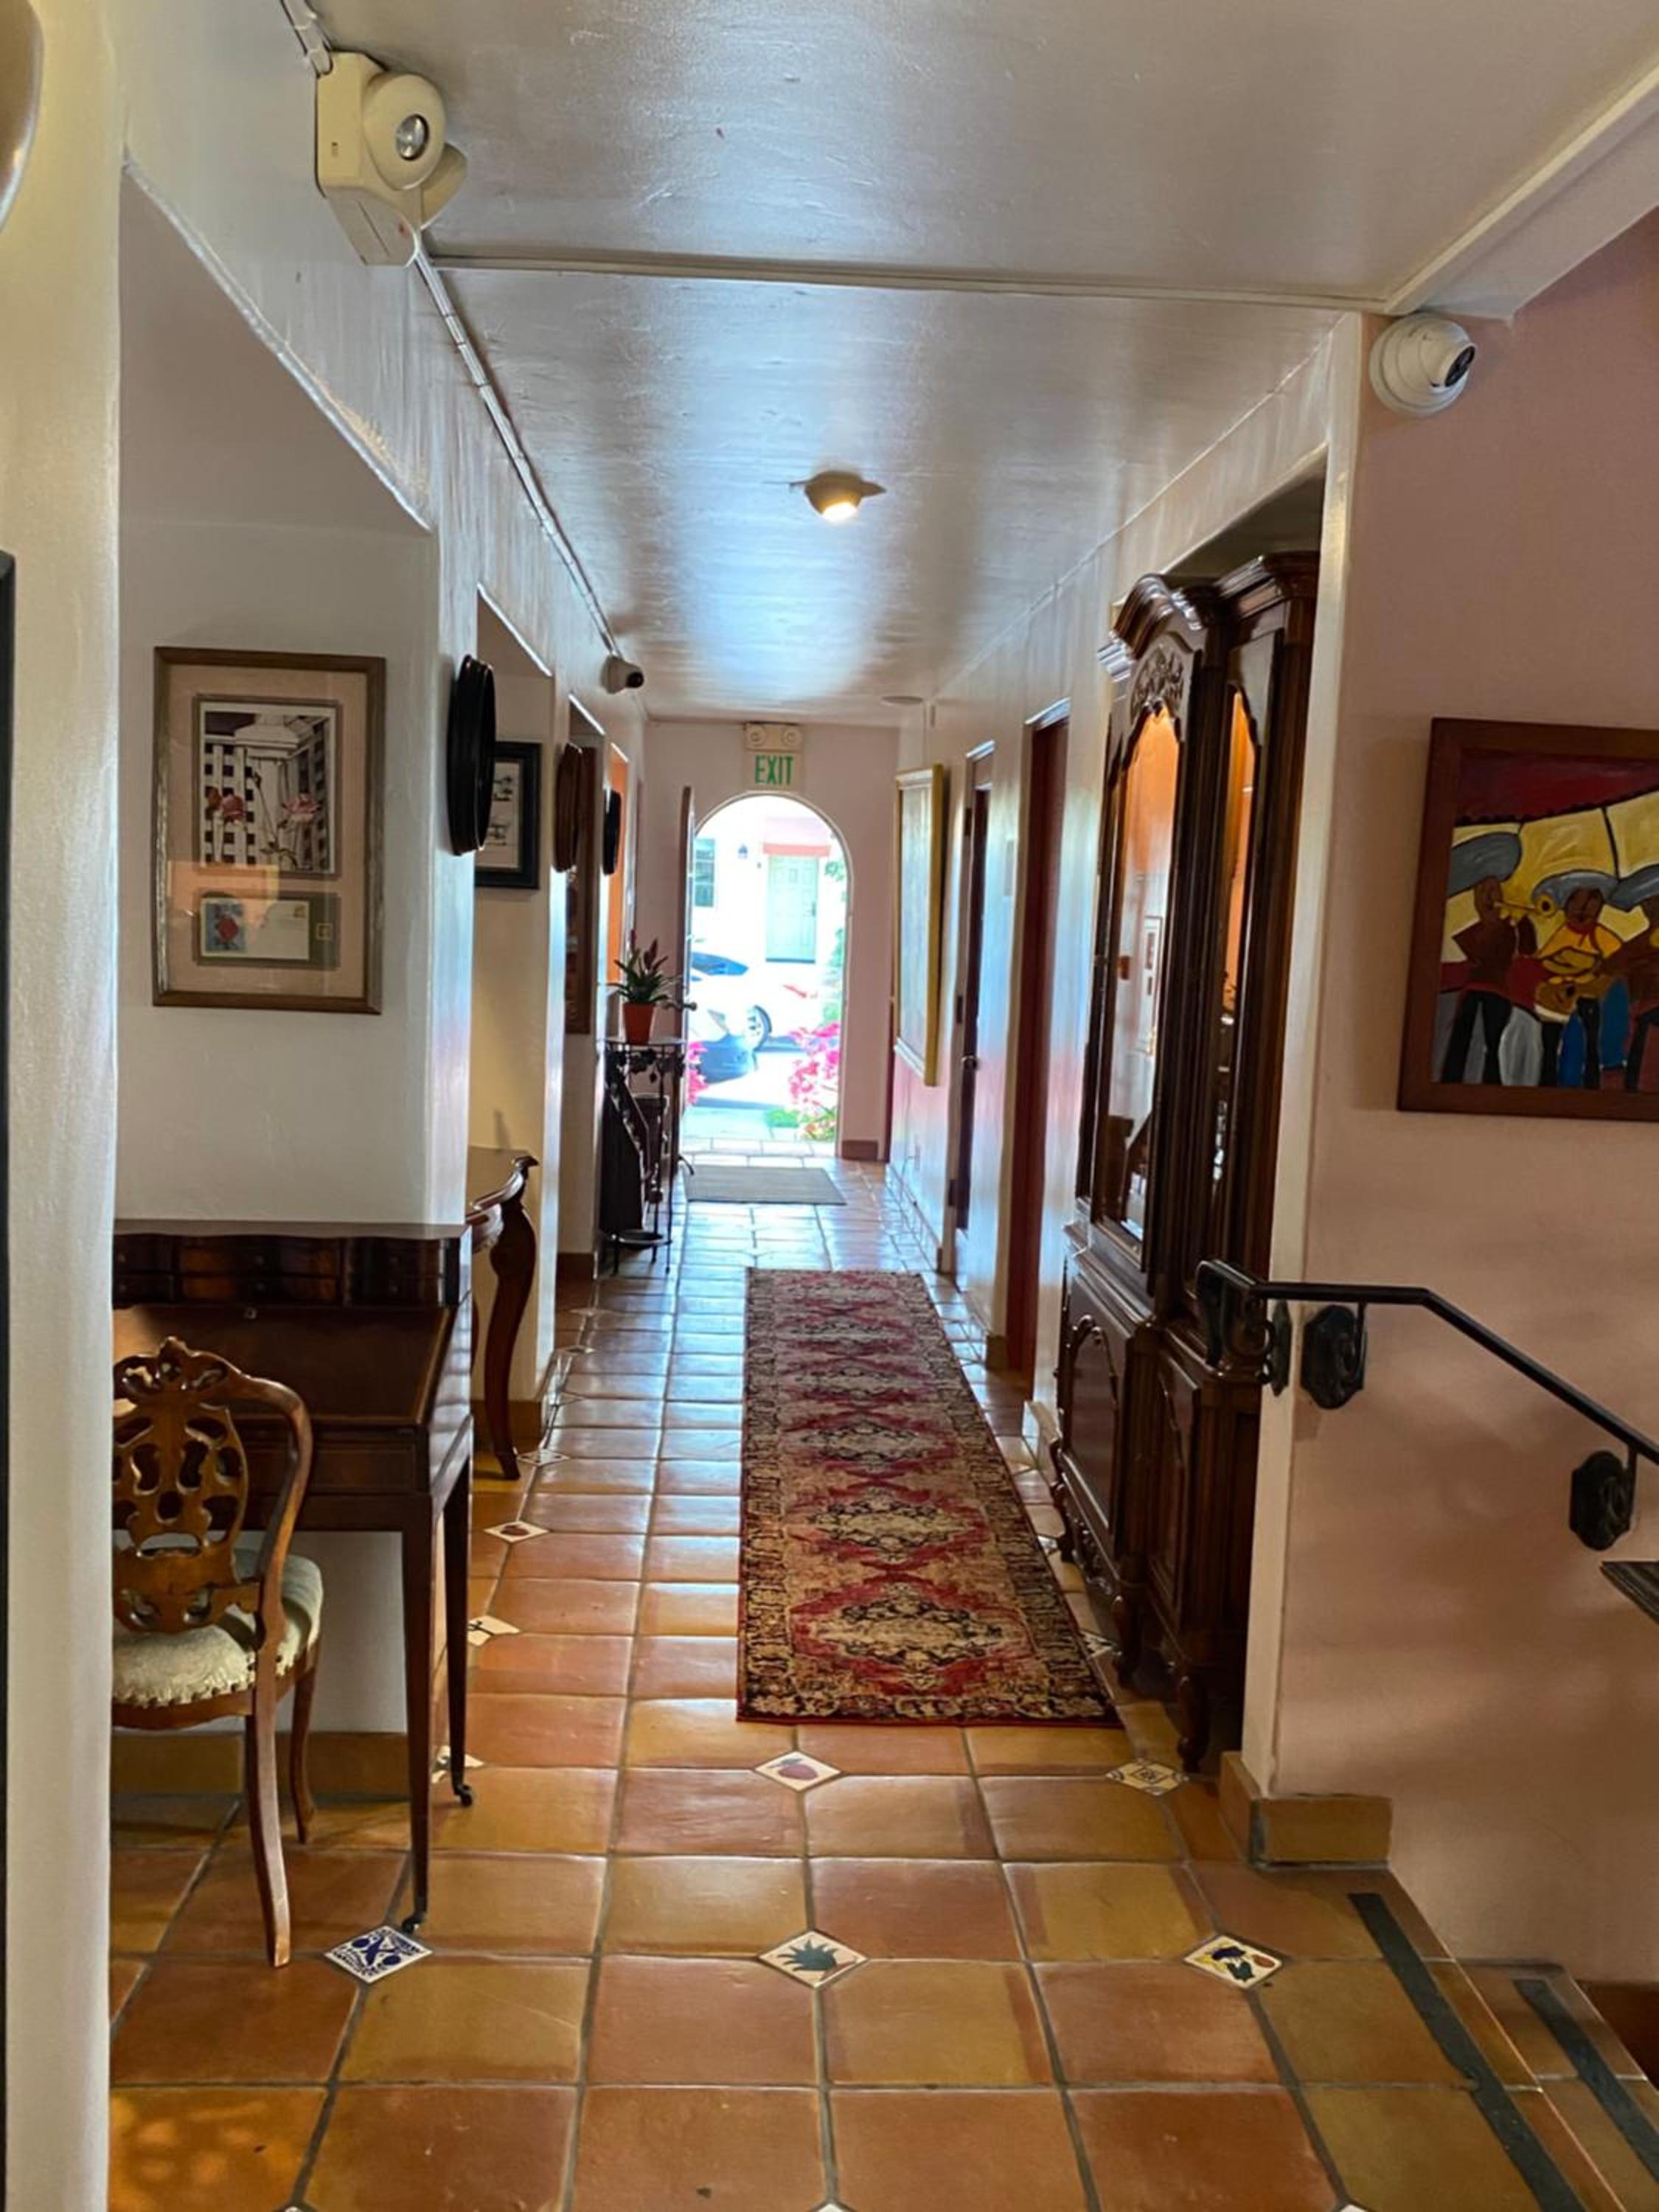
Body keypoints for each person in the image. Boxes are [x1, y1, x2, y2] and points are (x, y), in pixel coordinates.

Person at [1440, 877, 1534, 1084]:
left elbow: (1528, 949)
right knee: (1461, 1040)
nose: (1488, 898)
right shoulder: (1473, 932)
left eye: (1493, 891)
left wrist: (1523, 921)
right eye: (1482, 893)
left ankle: (1492, 1085)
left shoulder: (1511, 929)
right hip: (1474, 991)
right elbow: (1476, 955)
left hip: (1499, 993)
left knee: (1494, 1045)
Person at [1534, 886, 1620, 1088]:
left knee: (1590, 1043)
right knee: (1550, 1045)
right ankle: (1548, 1084)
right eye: (1577, 906)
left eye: (1589, 909)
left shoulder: (1602, 937)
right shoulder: (1562, 934)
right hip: (1557, 1001)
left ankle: (1591, 1084)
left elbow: (1615, 965)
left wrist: (1587, 983)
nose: (1582, 912)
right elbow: (1543, 961)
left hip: (1588, 997)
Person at [1610, 893, 1659, 1091]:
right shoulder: (1635, 947)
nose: (1652, 907)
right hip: (1641, 1015)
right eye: (1648, 902)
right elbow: (1610, 969)